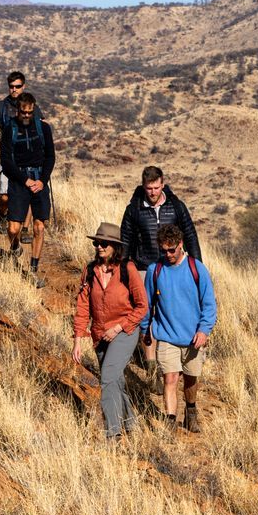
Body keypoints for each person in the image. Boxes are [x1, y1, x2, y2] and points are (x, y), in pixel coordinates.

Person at [71, 222, 149, 439]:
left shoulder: (127, 269)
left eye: (104, 243)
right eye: (97, 243)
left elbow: (142, 306)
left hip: (124, 331)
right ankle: (131, 424)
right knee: (116, 380)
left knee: (107, 378)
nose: (99, 247)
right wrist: (78, 339)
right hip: (99, 334)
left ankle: (112, 433)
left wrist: (118, 328)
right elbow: (83, 307)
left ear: (115, 246)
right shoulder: (89, 271)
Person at [144, 224, 217, 433]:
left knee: (191, 378)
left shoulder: (197, 269)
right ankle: (170, 421)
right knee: (170, 378)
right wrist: (145, 329)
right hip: (166, 335)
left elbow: (209, 304)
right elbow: (147, 303)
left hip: (193, 336)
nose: (168, 254)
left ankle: (191, 412)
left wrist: (204, 330)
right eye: (164, 250)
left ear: (181, 245)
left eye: (172, 250)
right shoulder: (154, 270)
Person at [0, 91, 54, 282]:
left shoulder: (43, 128)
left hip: (39, 180)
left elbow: (50, 156)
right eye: (24, 112)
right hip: (19, 182)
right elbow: (5, 161)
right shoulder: (9, 129)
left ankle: (33, 269)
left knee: (39, 227)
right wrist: (24, 180)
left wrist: (42, 180)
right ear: (18, 110)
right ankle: (15, 246)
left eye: (30, 112)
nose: (27, 116)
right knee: (13, 228)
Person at [118, 165, 203, 272]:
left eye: (156, 188)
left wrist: (197, 268)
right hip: (144, 269)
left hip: (173, 268)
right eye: (149, 188)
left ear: (162, 185)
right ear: (143, 186)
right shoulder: (133, 209)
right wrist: (122, 269)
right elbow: (125, 241)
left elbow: (190, 236)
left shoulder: (177, 206)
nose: (153, 192)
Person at [0, 71, 26, 209]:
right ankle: (3, 214)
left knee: (24, 194)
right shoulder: (0, 107)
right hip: (6, 157)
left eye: (17, 86)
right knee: (4, 196)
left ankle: (19, 225)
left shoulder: (30, 106)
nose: (14, 89)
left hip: (26, 157)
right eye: (11, 86)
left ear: (23, 86)